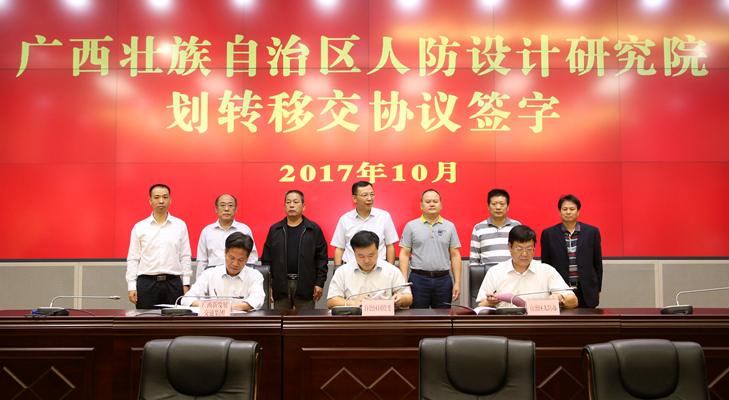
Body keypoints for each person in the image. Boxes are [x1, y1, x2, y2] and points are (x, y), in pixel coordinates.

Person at [476, 225, 577, 309]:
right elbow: (481, 304)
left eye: (529, 249)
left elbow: (574, 301)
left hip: (537, 322)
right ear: (510, 247)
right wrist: (490, 302)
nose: (524, 254)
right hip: (506, 322)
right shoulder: (495, 271)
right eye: (519, 249)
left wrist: (560, 299)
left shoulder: (546, 271)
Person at [126, 184, 192, 309]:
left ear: (170, 200)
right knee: (146, 319)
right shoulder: (140, 227)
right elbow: (133, 259)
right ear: (150, 200)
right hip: (146, 283)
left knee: (175, 319)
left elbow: (185, 256)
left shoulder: (180, 225)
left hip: (173, 283)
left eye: (165, 197)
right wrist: (131, 286)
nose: (161, 201)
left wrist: (186, 283)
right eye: (156, 197)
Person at [261, 190, 328, 309]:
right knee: (280, 319)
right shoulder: (275, 230)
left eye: (296, 202)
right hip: (280, 286)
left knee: (305, 320)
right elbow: (267, 260)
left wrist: (319, 283)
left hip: (306, 285)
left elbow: (321, 259)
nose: (291, 205)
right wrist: (268, 285)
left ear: (303, 206)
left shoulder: (313, 229)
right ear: (284, 206)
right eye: (288, 202)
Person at [399, 189, 461, 309]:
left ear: (441, 205)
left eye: (435, 201)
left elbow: (455, 255)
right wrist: (404, 283)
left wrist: (457, 282)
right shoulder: (411, 226)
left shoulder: (450, 226)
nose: (432, 204)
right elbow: (404, 254)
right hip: (418, 280)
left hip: (443, 280)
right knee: (417, 317)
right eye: (428, 202)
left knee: (443, 317)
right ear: (421, 205)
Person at [540, 194, 603, 308]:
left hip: (586, 289)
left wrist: (598, 289)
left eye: (572, 209)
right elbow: (546, 265)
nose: (568, 212)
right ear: (559, 211)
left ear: (578, 211)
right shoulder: (548, 234)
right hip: (561, 289)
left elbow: (597, 263)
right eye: (564, 209)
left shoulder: (592, 232)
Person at [328, 231, 413, 309]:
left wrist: (401, 299)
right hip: (354, 318)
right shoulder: (342, 272)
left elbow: (408, 298)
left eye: (371, 255)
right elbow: (331, 301)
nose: (367, 261)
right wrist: (354, 303)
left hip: (384, 318)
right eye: (361, 256)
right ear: (354, 253)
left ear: (378, 250)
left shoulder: (391, 270)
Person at [182, 232, 264, 311]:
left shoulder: (255, 276)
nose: (235, 264)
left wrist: (230, 307)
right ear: (225, 252)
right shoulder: (209, 274)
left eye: (241, 260)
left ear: (248, 257)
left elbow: (257, 300)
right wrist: (215, 306)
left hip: (241, 320)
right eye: (231, 258)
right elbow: (187, 299)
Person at [330, 181, 399, 265]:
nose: (369, 198)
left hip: (378, 267)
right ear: (354, 198)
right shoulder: (345, 219)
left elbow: (390, 245)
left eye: (372, 194)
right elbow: (339, 248)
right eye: (364, 195)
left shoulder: (384, 216)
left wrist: (390, 269)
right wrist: (337, 269)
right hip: (351, 268)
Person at [196, 194, 257, 280]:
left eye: (230, 205)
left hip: (239, 277)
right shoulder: (207, 231)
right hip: (213, 278)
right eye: (222, 205)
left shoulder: (244, 229)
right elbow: (202, 261)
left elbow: (251, 257)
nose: (226, 209)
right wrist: (200, 281)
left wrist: (247, 278)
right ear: (216, 209)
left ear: (236, 209)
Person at [469, 188, 521, 268]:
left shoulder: (516, 226)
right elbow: (474, 259)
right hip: (487, 273)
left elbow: (521, 252)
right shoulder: (479, 228)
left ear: (508, 207)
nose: (498, 207)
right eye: (494, 204)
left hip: (512, 272)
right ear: (488, 207)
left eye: (502, 204)